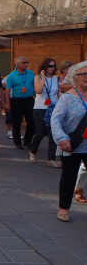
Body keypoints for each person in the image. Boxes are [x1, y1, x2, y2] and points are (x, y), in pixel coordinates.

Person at [50, 62, 87, 222]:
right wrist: (61, 138)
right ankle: (63, 208)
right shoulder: (67, 98)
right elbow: (55, 119)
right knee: (69, 177)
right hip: (72, 143)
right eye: (83, 74)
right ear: (75, 78)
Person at [30, 58, 61, 167]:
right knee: (40, 132)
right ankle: (33, 151)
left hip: (53, 107)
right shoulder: (37, 77)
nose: (52, 68)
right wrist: (43, 78)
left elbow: (57, 93)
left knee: (52, 133)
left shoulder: (55, 79)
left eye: (53, 66)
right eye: (50, 66)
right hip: (40, 107)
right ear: (44, 67)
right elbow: (38, 90)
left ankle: (51, 159)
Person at [5, 56, 35, 149]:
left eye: (27, 62)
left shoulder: (30, 73)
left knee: (31, 121)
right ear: (17, 64)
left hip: (29, 99)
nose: (26, 64)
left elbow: (34, 86)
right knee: (17, 122)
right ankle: (17, 142)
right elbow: (7, 89)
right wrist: (7, 103)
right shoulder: (12, 75)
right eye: (24, 62)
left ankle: (27, 141)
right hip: (17, 100)